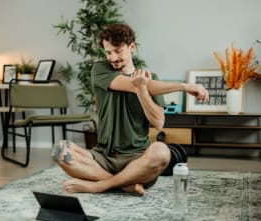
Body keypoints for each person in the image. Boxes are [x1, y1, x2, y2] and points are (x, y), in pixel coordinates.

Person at [52, 23, 209, 196]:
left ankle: (99, 185)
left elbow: (158, 122)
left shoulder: (152, 80)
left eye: (118, 51)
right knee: (60, 149)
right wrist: (185, 86)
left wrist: (142, 90)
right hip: (103, 156)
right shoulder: (100, 69)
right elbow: (130, 84)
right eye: (108, 52)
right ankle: (124, 184)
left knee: (162, 152)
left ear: (131, 47)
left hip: (137, 160)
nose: (112, 58)